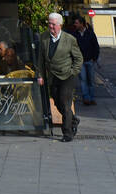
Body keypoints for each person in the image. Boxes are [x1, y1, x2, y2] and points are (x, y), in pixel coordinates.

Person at [36, 12, 84, 142]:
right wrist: (40, 75)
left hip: (67, 76)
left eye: (53, 24)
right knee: (57, 102)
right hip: (52, 76)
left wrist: (74, 71)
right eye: (49, 23)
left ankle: (67, 133)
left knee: (64, 102)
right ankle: (73, 119)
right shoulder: (44, 37)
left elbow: (79, 58)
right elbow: (41, 58)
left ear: (60, 25)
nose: (50, 26)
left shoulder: (69, 39)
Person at [73, 17, 100, 105]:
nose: (75, 25)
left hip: (90, 61)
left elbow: (96, 46)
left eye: (76, 23)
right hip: (80, 62)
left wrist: (94, 58)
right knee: (83, 80)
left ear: (82, 24)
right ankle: (86, 98)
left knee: (91, 81)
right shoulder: (75, 35)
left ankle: (92, 98)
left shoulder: (90, 33)